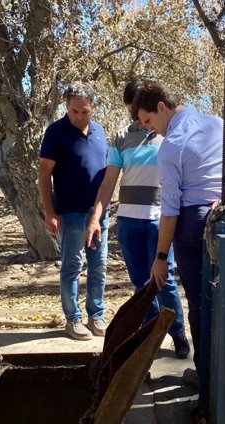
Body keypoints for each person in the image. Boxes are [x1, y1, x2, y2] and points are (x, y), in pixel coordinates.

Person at [132, 79, 225, 365]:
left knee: (200, 303)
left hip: (193, 224)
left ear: (161, 107)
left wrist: (161, 257)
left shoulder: (172, 145)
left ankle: (205, 380)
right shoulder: (220, 125)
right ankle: (223, 378)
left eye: (148, 120)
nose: (149, 128)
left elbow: (170, 209)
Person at [86, 80, 191, 359]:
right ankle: (149, 336)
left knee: (164, 280)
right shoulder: (121, 138)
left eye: (142, 114)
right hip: (129, 222)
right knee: (141, 285)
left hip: (160, 221)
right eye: (134, 115)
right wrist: (96, 217)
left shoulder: (170, 134)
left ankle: (178, 333)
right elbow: (109, 183)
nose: (140, 121)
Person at [38, 82, 109, 341]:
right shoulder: (56, 132)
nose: (79, 116)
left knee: (98, 266)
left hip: (98, 213)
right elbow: (44, 173)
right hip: (70, 212)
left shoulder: (100, 132)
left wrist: (100, 213)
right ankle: (73, 319)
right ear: (66, 107)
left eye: (85, 111)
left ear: (93, 108)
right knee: (72, 266)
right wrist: (49, 212)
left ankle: (96, 315)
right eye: (74, 111)